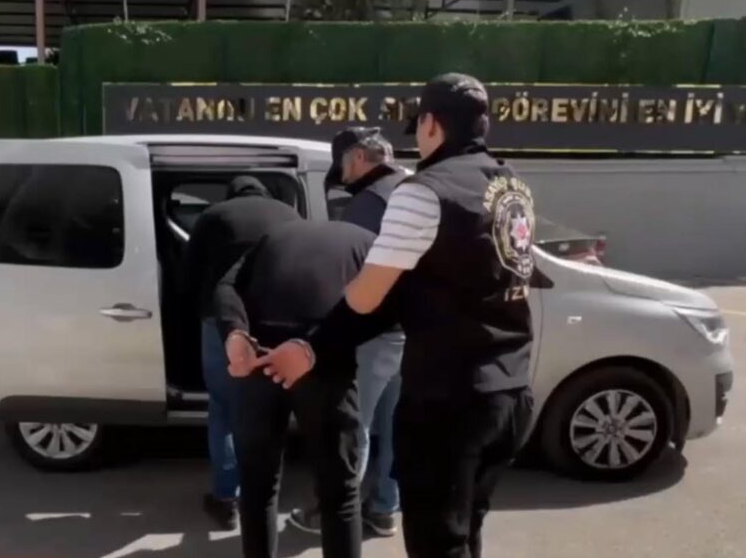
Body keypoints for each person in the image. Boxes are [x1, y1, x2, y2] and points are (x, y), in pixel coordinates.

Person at [258, 73, 537, 558]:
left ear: (431, 123)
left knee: (436, 543)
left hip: (450, 401)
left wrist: (309, 347)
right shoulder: (512, 185)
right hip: (509, 393)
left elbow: (367, 297)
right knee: (466, 531)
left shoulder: (424, 192)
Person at [216, 219, 390, 558]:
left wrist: (234, 332)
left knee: (258, 487)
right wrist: (314, 347)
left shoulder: (273, 234)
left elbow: (226, 285)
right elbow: (388, 307)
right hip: (324, 366)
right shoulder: (374, 246)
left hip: (261, 356)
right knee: (339, 494)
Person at [288, 127, 407, 538]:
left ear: (357, 156)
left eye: (342, 163)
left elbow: (351, 268)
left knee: (353, 426)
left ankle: (333, 513)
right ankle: (384, 508)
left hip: (374, 331)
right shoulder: (412, 191)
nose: (341, 173)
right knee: (393, 425)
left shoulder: (369, 202)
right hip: (411, 330)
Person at [182, 175, 301, 530]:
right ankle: (264, 492)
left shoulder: (214, 216)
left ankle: (226, 499)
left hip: (221, 323)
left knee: (224, 407)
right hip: (275, 321)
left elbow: (189, 272)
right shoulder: (289, 215)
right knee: (270, 408)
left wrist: (196, 307)